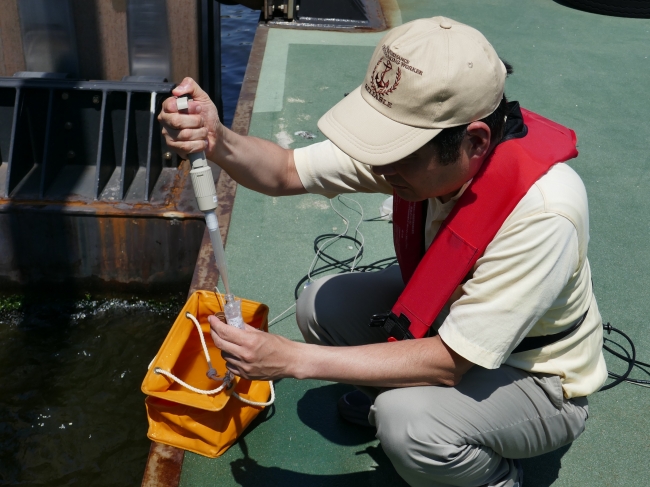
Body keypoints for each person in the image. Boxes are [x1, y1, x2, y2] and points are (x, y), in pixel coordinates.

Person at [159, 16, 607, 487]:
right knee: (320, 305)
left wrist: (293, 360)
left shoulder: (544, 210)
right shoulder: (415, 151)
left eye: (398, 148)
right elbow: (285, 171)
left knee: (408, 423)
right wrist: (218, 138)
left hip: (538, 378)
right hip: (448, 319)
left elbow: (450, 360)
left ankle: (492, 476)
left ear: (475, 141)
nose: (379, 162)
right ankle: (417, 408)